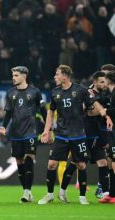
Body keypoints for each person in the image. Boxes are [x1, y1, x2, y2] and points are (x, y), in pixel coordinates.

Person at [38, 65, 105, 205]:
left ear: (65, 76)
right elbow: (50, 113)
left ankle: (82, 197)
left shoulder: (80, 90)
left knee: (81, 165)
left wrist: (104, 113)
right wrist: (46, 130)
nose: (55, 77)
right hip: (61, 135)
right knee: (51, 164)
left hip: (78, 135)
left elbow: (91, 106)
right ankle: (50, 194)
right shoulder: (55, 92)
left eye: (57, 74)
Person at [58, 71, 111, 202]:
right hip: (84, 134)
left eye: (105, 81)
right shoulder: (86, 93)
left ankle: (106, 194)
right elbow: (91, 113)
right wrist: (102, 110)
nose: (105, 84)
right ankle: (62, 190)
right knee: (75, 163)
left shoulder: (103, 94)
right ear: (95, 82)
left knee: (103, 162)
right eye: (102, 82)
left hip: (96, 135)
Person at [0, 66, 45, 202]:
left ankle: (27, 191)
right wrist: (3, 126)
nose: (13, 77)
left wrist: (48, 129)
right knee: (19, 161)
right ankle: (26, 192)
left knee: (29, 158)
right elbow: (8, 113)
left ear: (24, 76)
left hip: (30, 131)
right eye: (13, 75)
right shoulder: (10, 92)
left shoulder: (35, 92)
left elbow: (43, 111)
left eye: (16, 75)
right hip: (16, 132)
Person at [99, 70, 115, 203]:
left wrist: (106, 111)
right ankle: (112, 194)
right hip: (111, 130)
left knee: (113, 162)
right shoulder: (109, 93)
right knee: (111, 161)